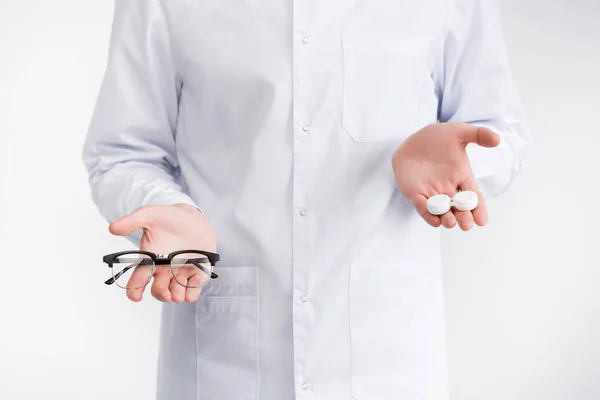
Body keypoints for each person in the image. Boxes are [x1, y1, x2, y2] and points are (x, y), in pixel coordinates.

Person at [82, 0, 530, 399]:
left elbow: (500, 135)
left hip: (388, 362)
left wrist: (456, 165)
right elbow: (123, 152)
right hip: (225, 363)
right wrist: (171, 207)